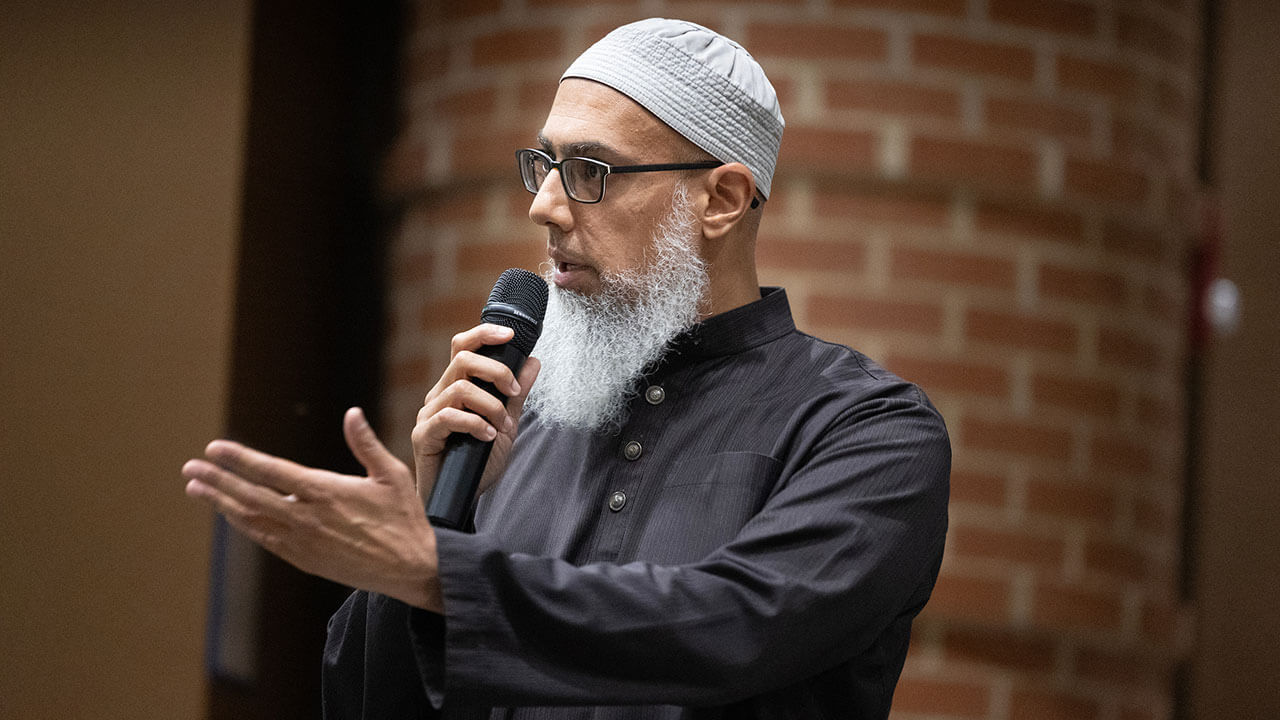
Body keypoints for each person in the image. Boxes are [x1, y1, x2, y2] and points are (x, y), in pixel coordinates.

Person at [183, 18, 950, 719]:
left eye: (590, 171)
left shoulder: (866, 429)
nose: (544, 206)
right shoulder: (519, 421)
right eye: (544, 164)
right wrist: (437, 514)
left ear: (721, 199)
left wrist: (437, 571)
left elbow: (733, 626)